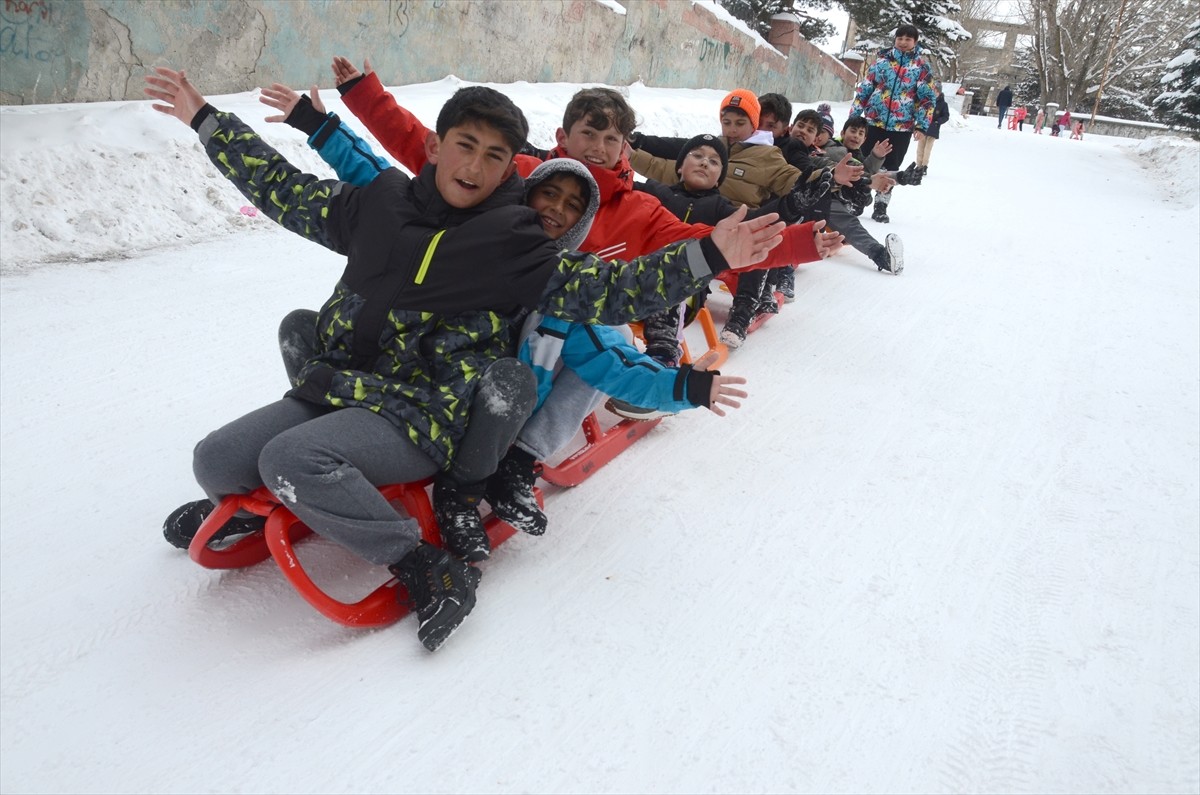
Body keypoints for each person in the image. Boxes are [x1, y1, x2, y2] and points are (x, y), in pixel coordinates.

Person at [144, 66, 787, 652]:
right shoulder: (380, 204)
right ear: (434, 147)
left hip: (422, 412)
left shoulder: (514, 244)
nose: (475, 167)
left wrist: (711, 254)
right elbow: (281, 186)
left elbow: (610, 291)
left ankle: (424, 565)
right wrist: (206, 119)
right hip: (339, 384)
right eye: (465, 146)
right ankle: (271, 501)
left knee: (291, 459)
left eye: (495, 156)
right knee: (215, 459)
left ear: (510, 170)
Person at [629, 92, 861, 348]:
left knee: (753, 235)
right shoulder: (709, 150)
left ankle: (744, 308)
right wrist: (628, 153)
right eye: (726, 122)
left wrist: (829, 176)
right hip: (695, 224)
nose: (732, 130)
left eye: (740, 123)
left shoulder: (767, 156)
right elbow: (661, 164)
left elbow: (794, 179)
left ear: (754, 124)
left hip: (736, 221)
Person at [850, 23, 937, 224]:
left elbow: (927, 99)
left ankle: (881, 204)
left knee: (890, 166)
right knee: (865, 162)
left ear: (915, 42)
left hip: (901, 127)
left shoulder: (921, 67)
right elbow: (865, 88)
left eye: (908, 39)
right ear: (895, 40)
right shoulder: (882, 62)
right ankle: (858, 198)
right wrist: (855, 115)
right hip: (873, 122)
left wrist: (921, 125)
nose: (903, 42)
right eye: (900, 38)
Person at [914, 82, 950, 175]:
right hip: (923, 128)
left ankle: (924, 166)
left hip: (933, 129)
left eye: (935, 91)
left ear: (939, 92)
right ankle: (918, 166)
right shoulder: (927, 101)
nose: (934, 92)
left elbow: (946, 116)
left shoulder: (943, 104)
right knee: (920, 148)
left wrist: (938, 121)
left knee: (927, 149)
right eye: (933, 90)